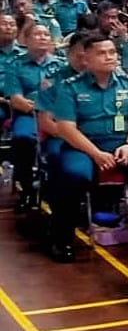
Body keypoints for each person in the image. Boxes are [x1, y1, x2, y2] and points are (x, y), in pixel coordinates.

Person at [47, 35, 128, 262]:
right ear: (86, 58)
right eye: (102, 53)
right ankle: (62, 239)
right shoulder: (70, 87)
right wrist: (95, 153)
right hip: (82, 147)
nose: (109, 57)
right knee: (72, 175)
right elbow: (65, 128)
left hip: (122, 144)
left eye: (112, 52)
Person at [1, 24, 63, 209]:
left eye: (46, 34)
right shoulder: (16, 65)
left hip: (58, 115)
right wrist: (40, 108)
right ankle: (26, 187)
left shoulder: (61, 65)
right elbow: (16, 99)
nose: (43, 37)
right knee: (23, 138)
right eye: (37, 34)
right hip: (29, 114)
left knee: (61, 145)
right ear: (26, 40)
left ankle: (54, 189)